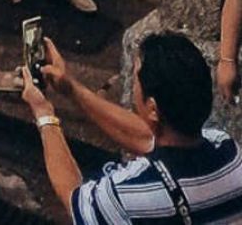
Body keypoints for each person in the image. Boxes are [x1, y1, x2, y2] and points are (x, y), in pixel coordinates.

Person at [22, 28, 242, 221]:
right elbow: (147, 138)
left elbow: (74, 199)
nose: (133, 85)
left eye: (136, 79)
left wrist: (44, 114)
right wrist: (72, 89)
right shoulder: (229, 152)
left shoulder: (123, 196)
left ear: (153, 108)